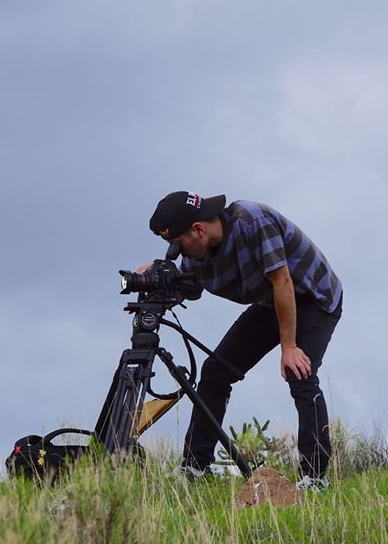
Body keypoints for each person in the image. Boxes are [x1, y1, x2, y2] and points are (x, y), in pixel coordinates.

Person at [142, 191, 343, 490]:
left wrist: (289, 347)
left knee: (299, 372)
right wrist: (152, 282)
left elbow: (283, 281)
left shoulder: (251, 221)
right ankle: (195, 469)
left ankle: (315, 477)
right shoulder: (197, 257)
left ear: (198, 229)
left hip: (313, 296)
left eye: (176, 242)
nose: (176, 251)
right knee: (215, 373)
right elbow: (184, 289)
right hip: (270, 304)